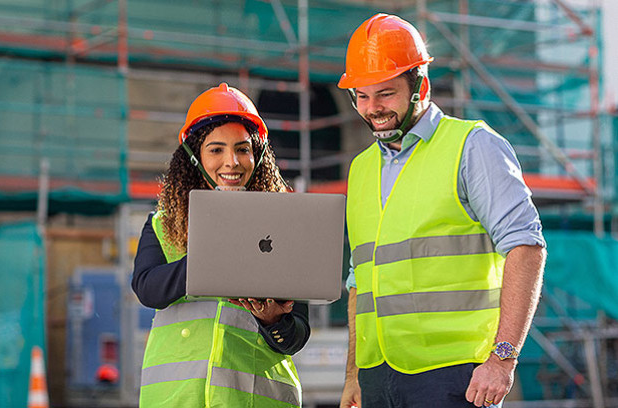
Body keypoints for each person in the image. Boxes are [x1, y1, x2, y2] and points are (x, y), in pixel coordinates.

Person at [336, 14, 546, 408]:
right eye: (362, 96)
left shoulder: (473, 146)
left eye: (385, 93)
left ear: (421, 86)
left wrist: (503, 358)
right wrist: (354, 375)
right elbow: (359, 282)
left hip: (456, 376)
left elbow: (526, 246)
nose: (373, 108)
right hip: (378, 377)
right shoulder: (361, 168)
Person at [132, 83, 309, 407]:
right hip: (177, 400)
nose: (232, 162)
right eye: (216, 150)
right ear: (194, 158)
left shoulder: (283, 224)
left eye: (243, 149)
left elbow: (297, 334)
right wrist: (213, 256)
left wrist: (273, 321)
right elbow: (147, 288)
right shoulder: (163, 223)